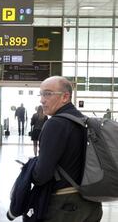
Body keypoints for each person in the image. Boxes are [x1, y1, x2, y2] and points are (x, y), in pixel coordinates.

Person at [33, 76, 102, 221]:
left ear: (65, 97)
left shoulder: (55, 124)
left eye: (47, 94)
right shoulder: (84, 122)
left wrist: (29, 172)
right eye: (41, 94)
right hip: (92, 205)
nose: (42, 100)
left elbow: (41, 175)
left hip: (65, 207)